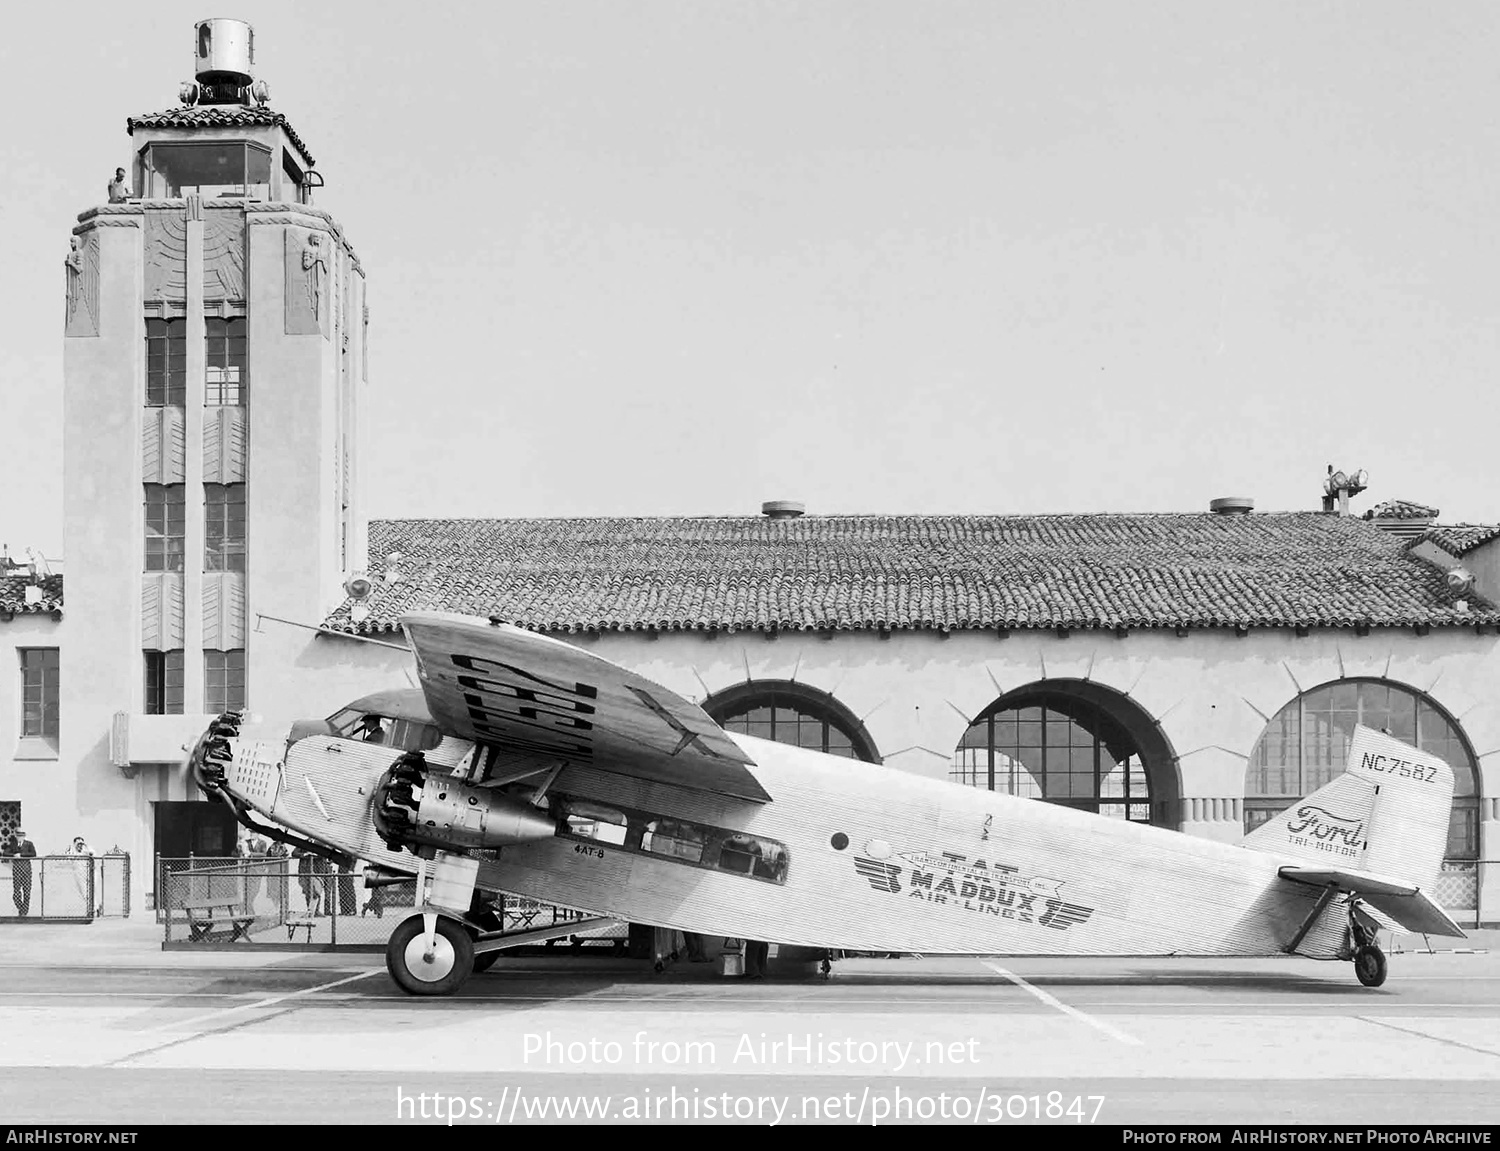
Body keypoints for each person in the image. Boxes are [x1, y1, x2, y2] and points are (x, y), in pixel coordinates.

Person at [5, 829, 36, 916]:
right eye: (18, 835)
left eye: (21, 835)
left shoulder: (29, 844)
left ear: (24, 836)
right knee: (16, 892)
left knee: (27, 890)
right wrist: (14, 855)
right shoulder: (13, 844)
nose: (20, 837)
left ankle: (24, 911)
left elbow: (33, 854)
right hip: (17, 869)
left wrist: (21, 855)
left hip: (26, 870)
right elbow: (5, 853)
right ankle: (21, 908)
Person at [65, 836, 96, 916]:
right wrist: (69, 852)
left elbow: (92, 853)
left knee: (92, 892)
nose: (80, 846)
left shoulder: (87, 850)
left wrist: (86, 846)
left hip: (90, 873)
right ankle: (93, 908)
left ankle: (93, 909)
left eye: (81, 844)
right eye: (78, 844)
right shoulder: (72, 851)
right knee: (84, 893)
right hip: (79, 874)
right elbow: (68, 860)